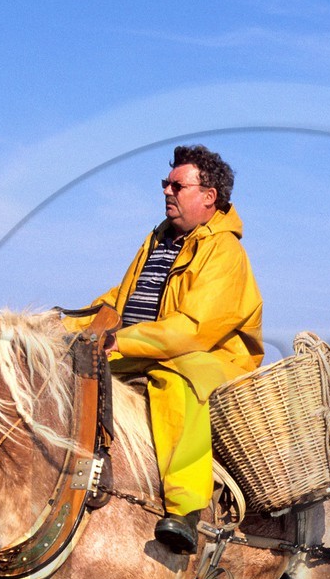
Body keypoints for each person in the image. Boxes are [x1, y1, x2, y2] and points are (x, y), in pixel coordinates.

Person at [79, 144, 263, 554]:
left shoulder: (225, 252)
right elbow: (121, 300)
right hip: (142, 346)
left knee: (178, 379)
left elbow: (194, 330)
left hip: (212, 358)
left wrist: (117, 341)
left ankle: (185, 510)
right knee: (68, 371)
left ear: (209, 196)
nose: (166, 191)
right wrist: (67, 325)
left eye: (177, 185)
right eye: (166, 182)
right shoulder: (158, 240)